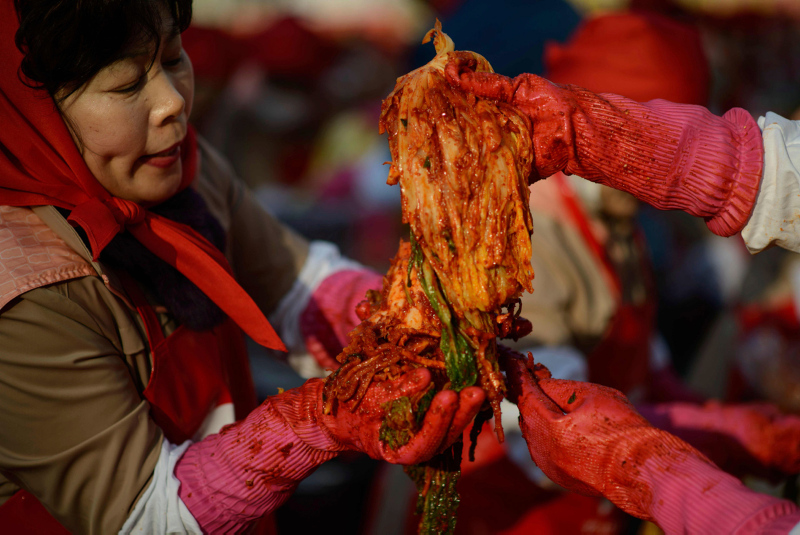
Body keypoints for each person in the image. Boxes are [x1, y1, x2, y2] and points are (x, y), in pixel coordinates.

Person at [0, 1, 485, 533]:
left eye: (173, 58)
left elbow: (295, 282)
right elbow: (148, 515)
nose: (172, 103)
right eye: (124, 86)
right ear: (33, 109)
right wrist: (316, 421)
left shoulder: (175, 165)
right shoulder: (25, 293)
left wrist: (417, 325)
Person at [445, 13, 800, 534]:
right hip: (515, 510)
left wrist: (739, 427)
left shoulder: (620, 227)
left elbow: (649, 377)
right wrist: (732, 436)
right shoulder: (527, 237)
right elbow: (553, 429)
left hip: (603, 506)